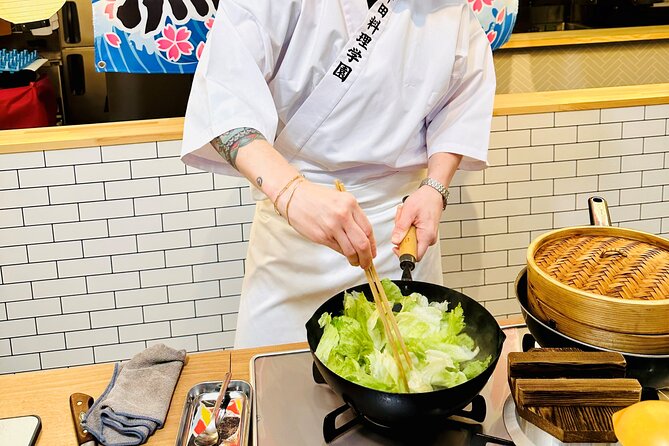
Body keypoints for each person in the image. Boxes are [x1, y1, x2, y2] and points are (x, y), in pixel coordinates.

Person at [181, 0, 495, 348]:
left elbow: (460, 100)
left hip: (399, 240)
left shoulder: (450, 7)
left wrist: (435, 187)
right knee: (275, 385)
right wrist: (292, 193)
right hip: (294, 244)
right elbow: (224, 101)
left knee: (408, 377)